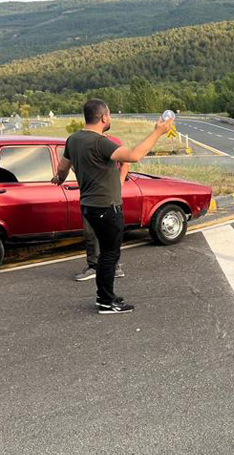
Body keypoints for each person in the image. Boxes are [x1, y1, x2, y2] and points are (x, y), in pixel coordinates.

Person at [53, 99, 172, 315]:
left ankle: (106, 296)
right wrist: (158, 132)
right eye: (109, 115)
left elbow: (62, 169)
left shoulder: (73, 139)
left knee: (107, 254)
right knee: (109, 255)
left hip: (88, 206)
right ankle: (106, 302)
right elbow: (134, 155)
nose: (110, 118)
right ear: (103, 118)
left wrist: (59, 179)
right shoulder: (101, 142)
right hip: (106, 207)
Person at [74, 134, 128, 282]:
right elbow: (72, 164)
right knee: (91, 233)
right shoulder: (82, 141)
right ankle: (95, 266)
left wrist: (119, 183)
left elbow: (127, 162)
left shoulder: (112, 141)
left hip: (107, 197)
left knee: (107, 234)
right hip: (91, 195)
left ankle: (110, 267)